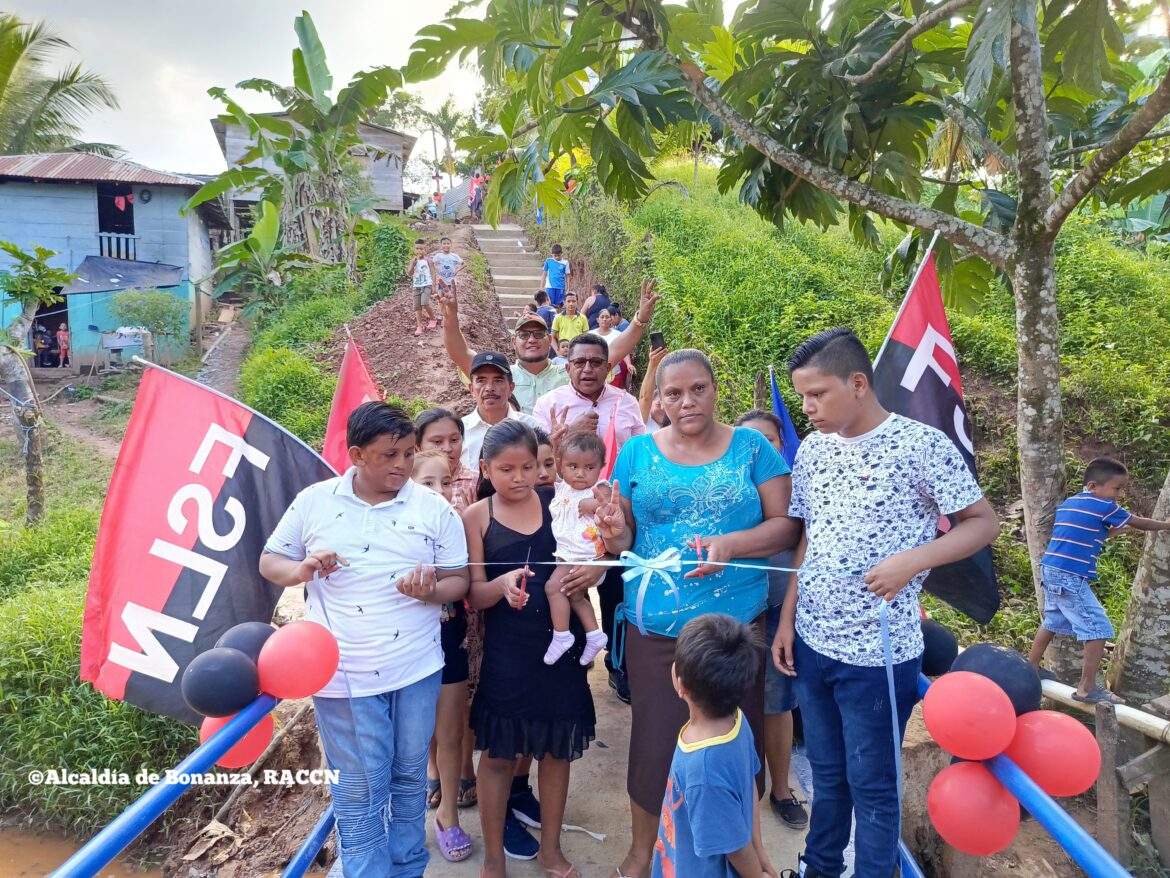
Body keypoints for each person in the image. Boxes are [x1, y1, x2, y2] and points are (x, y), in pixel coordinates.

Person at [775, 327, 998, 878]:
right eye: (801, 396)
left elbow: (982, 523)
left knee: (873, 785)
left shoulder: (921, 445)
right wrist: (787, 620)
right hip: (811, 642)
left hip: (878, 654)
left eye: (817, 395)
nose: (808, 409)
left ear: (857, 383)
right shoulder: (814, 453)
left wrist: (913, 560)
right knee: (827, 775)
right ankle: (820, 867)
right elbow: (811, 536)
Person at [592, 349, 801, 878]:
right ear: (657, 399)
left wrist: (732, 543)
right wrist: (615, 532)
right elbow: (627, 536)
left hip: (734, 634)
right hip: (657, 629)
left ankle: (748, 853)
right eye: (673, 393)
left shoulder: (753, 448)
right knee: (656, 739)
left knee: (735, 741)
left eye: (698, 389)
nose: (687, 402)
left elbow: (786, 527)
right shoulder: (637, 452)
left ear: (714, 389)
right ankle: (644, 853)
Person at [260, 402, 470, 878]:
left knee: (408, 775)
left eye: (408, 454)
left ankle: (408, 866)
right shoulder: (315, 501)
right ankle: (366, 871)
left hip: (415, 668)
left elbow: (459, 580)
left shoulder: (433, 509)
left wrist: (431, 591)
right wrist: (301, 569)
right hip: (343, 679)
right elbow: (270, 560)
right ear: (355, 454)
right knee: (358, 789)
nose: (401, 465)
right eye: (388, 455)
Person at [463, 421, 598, 878]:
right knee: (499, 756)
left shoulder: (555, 501)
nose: (520, 477)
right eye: (506, 469)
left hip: (561, 650)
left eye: (528, 467)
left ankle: (551, 851)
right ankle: (495, 858)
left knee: (557, 753)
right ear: (485, 468)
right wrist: (500, 586)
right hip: (510, 653)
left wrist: (594, 570)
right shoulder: (476, 517)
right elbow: (473, 594)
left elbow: (596, 546)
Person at [534, 332, 648, 703]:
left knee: (616, 590)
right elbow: (537, 460)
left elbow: (639, 459)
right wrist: (558, 441)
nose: (587, 368)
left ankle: (619, 665)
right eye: (579, 362)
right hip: (569, 514)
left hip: (615, 512)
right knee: (568, 585)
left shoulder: (626, 403)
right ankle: (575, 650)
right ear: (567, 366)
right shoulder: (550, 403)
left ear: (609, 366)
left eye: (596, 362)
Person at [1029, 457, 1170, 703]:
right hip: (1070, 574)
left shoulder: (1070, 504)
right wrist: (1166, 524)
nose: (1120, 494)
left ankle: (1031, 666)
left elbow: (1085, 534)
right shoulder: (1105, 506)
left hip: (1050, 569)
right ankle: (1086, 688)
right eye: (1117, 488)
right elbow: (1140, 522)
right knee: (1098, 628)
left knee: (1053, 619)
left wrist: (1113, 531)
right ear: (1094, 486)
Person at [651, 614, 775, 878]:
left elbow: (737, 849)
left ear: (680, 684)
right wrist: (760, 851)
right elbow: (748, 786)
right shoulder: (737, 722)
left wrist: (757, 873)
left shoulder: (702, 772)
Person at [734, 409, 808, 829]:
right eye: (751, 441)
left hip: (779, 609)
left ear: (782, 447)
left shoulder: (797, 495)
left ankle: (780, 788)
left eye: (769, 440)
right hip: (732, 611)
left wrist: (789, 621)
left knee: (777, 704)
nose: (760, 448)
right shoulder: (725, 491)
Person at [437, 278, 661, 414]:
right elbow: (461, 355)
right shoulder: (501, 377)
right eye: (524, 335)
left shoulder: (569, 372)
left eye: (538, 334)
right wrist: (450, 317)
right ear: (514, 341)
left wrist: (639, 319)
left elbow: (613, 351)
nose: (531, 339)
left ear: (549, 339)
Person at [407, 449, 474, 863]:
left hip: (449, 636)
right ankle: (402, 821)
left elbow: (466, 581)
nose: (439, 491)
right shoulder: (393, 527)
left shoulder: (457, 525)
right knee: (408, 736)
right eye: (428, 483)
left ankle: (449, 816)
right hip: (403, 645)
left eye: (445, 482)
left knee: (450, 731)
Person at [544, 430, 610, 666]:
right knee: (575, 597)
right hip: (566, 555)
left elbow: (611, 507)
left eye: (589, 467)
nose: (580, 473)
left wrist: (594, 504)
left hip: (584, 557)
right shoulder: (562, 488)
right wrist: (553, 442)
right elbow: (545, 465)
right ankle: (594, 634)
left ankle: (561, 635)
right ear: (562, 465)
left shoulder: (599, 489)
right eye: (573, 466)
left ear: (601, 466)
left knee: (553, 587)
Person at [460, 352, 540, 470]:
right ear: (471, 389)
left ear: (511, 388)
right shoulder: (460, 431)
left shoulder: (530, 426)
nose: (489, 388)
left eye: (498, 380)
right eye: (481, 380)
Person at [407, 238, 439, 337]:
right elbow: (409, 274)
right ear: (414, 249)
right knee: (417, 307)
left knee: (425, 302)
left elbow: (433, 272)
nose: (419, 251)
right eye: (417, 249)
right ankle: (419, 326)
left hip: (427, 284)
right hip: (416, 286)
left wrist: (434, 285)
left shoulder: (428, 261)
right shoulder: (414, 261)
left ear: (425, 250)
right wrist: (413, 264)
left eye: (421, 249)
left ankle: (433, 319)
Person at [595, 309, 634, 388]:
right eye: (602, 317)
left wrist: (628, 364)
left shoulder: (618, 335)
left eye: (607, 317)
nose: (604, 319)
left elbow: (624, 351)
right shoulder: (591, 335)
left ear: (611, 319)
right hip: (596, 373)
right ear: (597, 320)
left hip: (615, 372)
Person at [638, 346, 670, 434]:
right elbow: (645, 397)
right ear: (650, 404)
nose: (662, 408)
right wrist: (653, 364)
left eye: (666, 405)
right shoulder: (643, 421)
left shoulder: (675, 426)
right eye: (658, 404)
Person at [541, 243, 571, 310]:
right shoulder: (548, 261)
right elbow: (544, 274)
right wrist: (541, 287)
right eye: (555, 256)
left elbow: (567, 275)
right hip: (550, 287)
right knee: (549, 304)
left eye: (559, 255)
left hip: (560, 287)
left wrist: (568, 287)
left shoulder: (565, 262)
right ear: (552, 254)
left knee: (559, 305)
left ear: (561, 253)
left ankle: (558, 318)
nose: (557, 257)